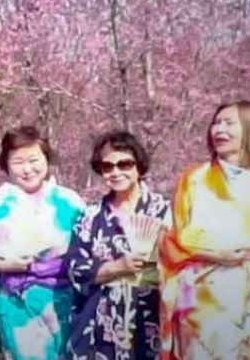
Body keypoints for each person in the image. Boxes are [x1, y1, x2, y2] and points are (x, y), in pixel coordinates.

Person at [159, 101, 250, 359]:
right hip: (199, 299)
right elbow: (174, 240)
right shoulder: (194, 179)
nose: (218, 129)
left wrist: (239, 299)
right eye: (216, 122)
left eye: (228, 123)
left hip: (248, 297)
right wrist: (218, 255)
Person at [0, 126, 85, 360]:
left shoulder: (70, 201)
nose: (27, 169)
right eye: (18, 162)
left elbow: (89, 250)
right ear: (5, 164)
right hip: (17, 302)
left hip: (63, 298)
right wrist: (1, 264)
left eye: (34, 160)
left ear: (46, 159)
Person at [65, 131, 171, 359]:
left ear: (138, 167)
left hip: (153, 316)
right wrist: (116, 267)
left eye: (124, 164)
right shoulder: (90, 217)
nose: (116, 172)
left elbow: (186, 262)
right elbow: (75, 268)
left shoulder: (165, 212)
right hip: (102, 323)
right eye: (108, 166)